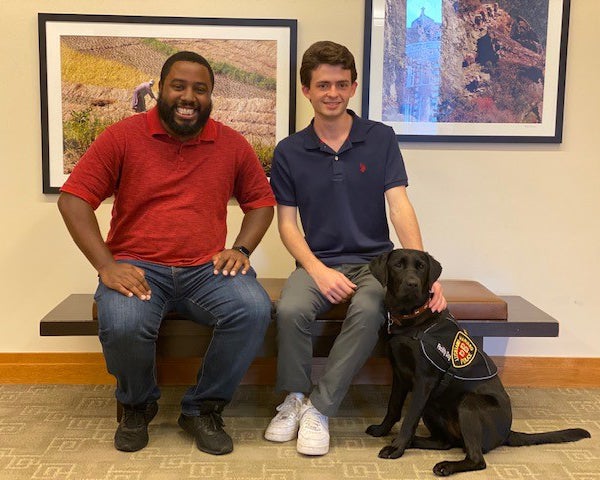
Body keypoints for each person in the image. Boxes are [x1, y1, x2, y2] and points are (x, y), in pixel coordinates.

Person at [57, 51, 275, 455]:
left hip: (206, 269)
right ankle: (137, 405)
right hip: (138, 267)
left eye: (200, 89)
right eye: (179, 86)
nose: (188, 96)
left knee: (253, 308)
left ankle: (203, 407)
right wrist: (106, 265)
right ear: (159, 88)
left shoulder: (231, 143)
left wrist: (242, 248)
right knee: (122, 322)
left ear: (211, 96)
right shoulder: (121, 137)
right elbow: (73, 200)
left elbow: (261, 202)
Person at [264, 41, 446, 456]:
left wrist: (422, 273)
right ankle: (293, 398)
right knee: (290, 310)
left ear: (353, 87)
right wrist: (317, 269)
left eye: (341, 84)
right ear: (306, 90)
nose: (333, 93)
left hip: (375, 264)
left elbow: (399, 205)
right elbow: (288, 225)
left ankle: (320, 408)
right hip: (317, 263)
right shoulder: (290, 151)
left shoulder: (380, 138)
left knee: (367, 310)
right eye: (323, 84)